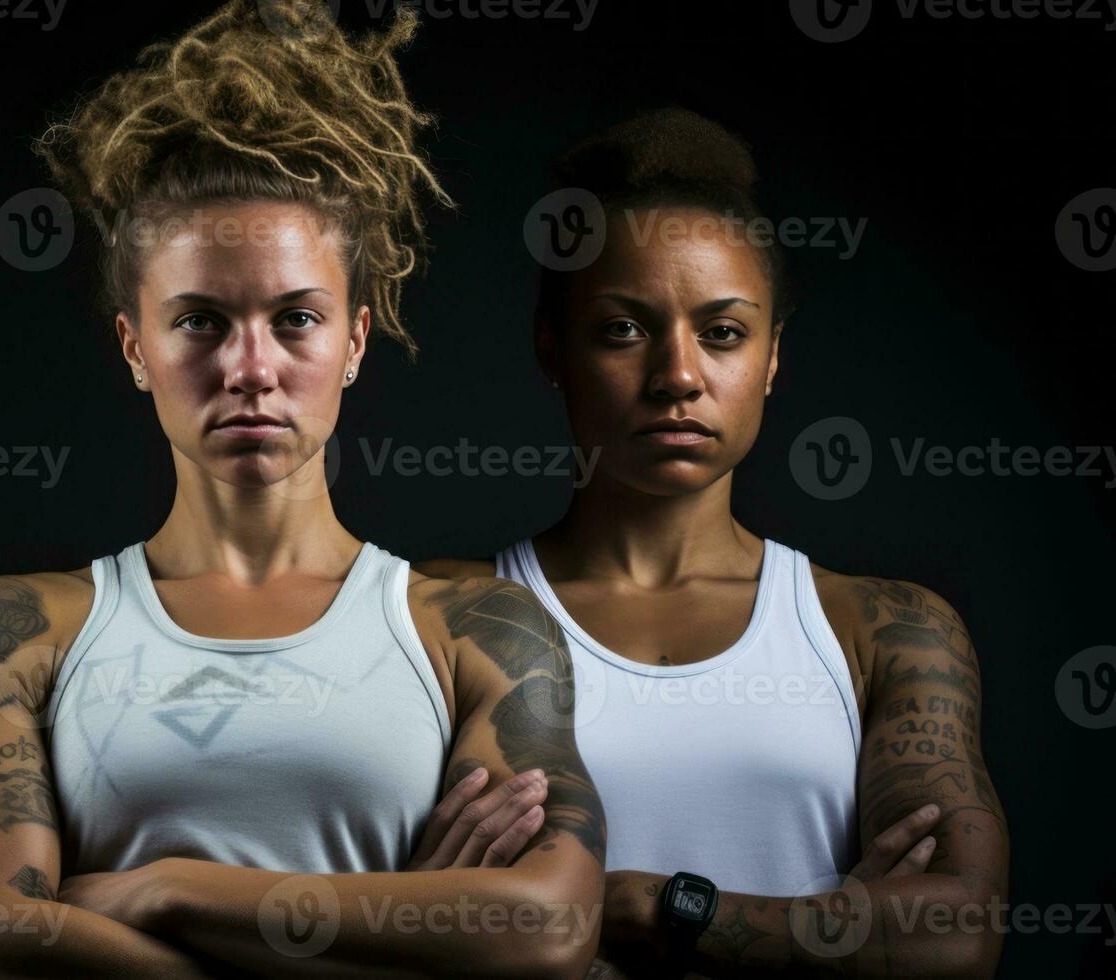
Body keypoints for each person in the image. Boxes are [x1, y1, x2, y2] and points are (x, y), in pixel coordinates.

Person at [0, 2, 605, 976]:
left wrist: (166, 886)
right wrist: (409, 925)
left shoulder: (480, 629)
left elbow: (549, 930)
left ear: (355, 338)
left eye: (295, 319)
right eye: (199, 320)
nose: (251, 366)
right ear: (134, 346)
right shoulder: (13, 630)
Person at [419, 108, 1008, 977]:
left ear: (771, 357)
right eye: (623, 329)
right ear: (552, 348)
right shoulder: (438, 613)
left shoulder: (884, 631)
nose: (679, 376)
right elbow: (403, 920)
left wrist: (636, 906)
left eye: (723, 333)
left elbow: (952, 937)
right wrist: (837, 922)